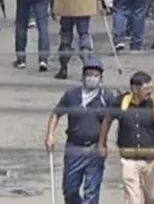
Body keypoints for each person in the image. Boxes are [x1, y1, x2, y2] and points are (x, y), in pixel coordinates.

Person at [47, 57, 115, 204]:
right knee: (69, 190)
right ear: (83, 76)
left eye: (96, 75)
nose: (92, 78)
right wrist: (50, 135)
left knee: (91, 191)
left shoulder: (107, 97)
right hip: (74, 148)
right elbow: (56, 114)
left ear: (101, 78)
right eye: (89, 74)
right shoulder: (72, 95)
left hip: (95, 148)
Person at [100, 71, 154, 204]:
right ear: (135, 89)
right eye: (146, 88)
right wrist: (102, 143)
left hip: (150, 160)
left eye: (151, 88)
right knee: (132, 199)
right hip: (128, 159)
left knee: (152, 198)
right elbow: (107, 121)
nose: (150, 91)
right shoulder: (120, 103)